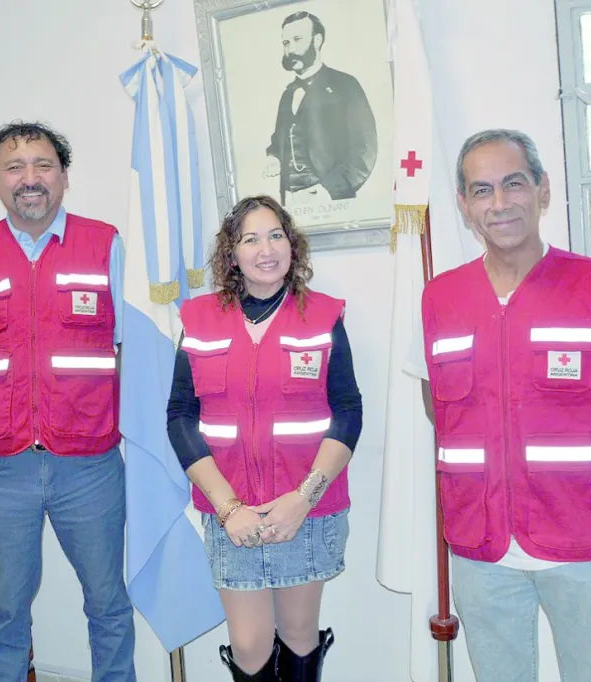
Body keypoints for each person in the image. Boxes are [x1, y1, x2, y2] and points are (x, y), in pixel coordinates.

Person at [408, 129, 591, 682]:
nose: (499, 203)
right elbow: (440, 409)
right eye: (481, 190)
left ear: (543, 191)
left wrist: (576, 475)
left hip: (582, 539)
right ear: (463, 205)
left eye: (513, 184)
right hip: (482, 547)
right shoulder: (439, 300)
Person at [0, 121, 136, 682]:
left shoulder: (105, 244)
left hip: (90, 466)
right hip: (2, 468)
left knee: (107, 604)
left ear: (65, 177)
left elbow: (126, 348)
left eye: (43, 165)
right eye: (15, 167)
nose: (31, 178)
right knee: (5, 613)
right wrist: (6, 412)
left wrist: (81, 412)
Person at [167, 195, 362, 681]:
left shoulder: (323, 316)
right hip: (232, 511)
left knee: (299, 633)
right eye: (250, 239)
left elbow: (348, 412)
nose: (266, 248)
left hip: (306, 508)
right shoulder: (199, 320)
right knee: (250, 644)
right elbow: (180, 418)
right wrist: (229, 509)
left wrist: (302, 500)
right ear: (231, 254)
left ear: (292, 245)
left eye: (275, 234)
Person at [263, 11, 378, 206]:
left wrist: (329, 190)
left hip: (332, 201)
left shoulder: (346, 85)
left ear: (317, 40)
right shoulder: (288, 94)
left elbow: (364, 150)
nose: (290, 50)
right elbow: (280, 140)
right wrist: (274, 157)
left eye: (297, 39)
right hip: (289, 204)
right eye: (286, 43)